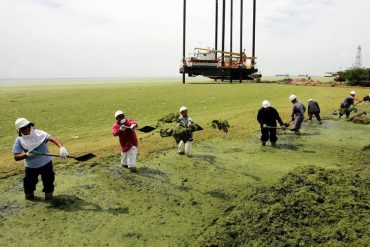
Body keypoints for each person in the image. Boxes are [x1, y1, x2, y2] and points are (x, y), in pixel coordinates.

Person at [12, 118, 69, 200]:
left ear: (31, 126)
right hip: (31, 167)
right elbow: (16, 157)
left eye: (28, 126)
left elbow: (53, 138)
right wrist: (26, 155)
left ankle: (50, 199)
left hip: (46, 164)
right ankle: (29, 199)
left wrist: (61, 147)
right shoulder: (19, 140)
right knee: (28, 187)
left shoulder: (40, 134)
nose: (27, 129)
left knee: (49, 184)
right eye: (23, 128)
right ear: (20, 130)